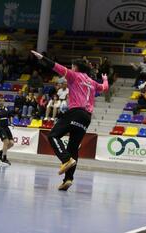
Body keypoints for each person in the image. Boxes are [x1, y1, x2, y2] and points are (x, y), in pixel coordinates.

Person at [31, 50, 108, 191]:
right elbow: (104, 88)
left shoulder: (74, 76)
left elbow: (56, 67)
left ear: (76, 68)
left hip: (75, 112)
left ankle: (66, 159)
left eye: (72, 66)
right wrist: (105, 79)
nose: (71, 68)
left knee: (53, 136)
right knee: (73, 147)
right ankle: (68, 179)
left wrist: (42, 58)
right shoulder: (92, 82)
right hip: (86, 118)